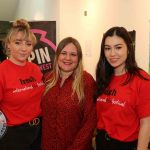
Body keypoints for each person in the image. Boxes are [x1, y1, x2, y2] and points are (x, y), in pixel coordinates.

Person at [95, 26, 150, 150]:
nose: (112, 53)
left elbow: (146, 123)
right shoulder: (104, 76)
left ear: (129, 49)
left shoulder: (142, 80)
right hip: (101, 143)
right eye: (107, 48)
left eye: (118, 47)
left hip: (125, 145)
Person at [41, 37, 96, 150]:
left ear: (79, 58)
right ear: (57, 56)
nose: (67, 58)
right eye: (64, 53)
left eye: (73, 54)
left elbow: (90, 122)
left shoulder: (86, 81)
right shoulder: (47, 78)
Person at [0, 19, 45, 150]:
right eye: (18, 43)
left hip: (38, 130)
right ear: (8, 44)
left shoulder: (35, 69)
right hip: (13, 135)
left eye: (28, 43)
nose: (24, 48)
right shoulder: (2, 71)